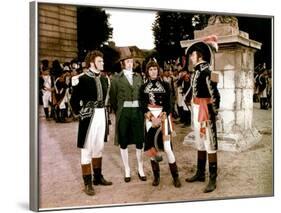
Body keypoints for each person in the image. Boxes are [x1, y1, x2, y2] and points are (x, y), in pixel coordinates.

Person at [70, 50, 112, 196]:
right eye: (100, 61)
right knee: (86, 149)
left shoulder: (105, 79)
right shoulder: (80, 79)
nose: (102, 63)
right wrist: (81, 113)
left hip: (102, 115)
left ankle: (98, 177)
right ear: (92, 63)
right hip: (89, 117)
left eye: (102, 61)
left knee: (99, 147)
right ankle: (87, 183)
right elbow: (73, 101)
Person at [185, 37, 220, 193]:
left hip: (205, 112)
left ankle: (213, 179)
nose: (191, 58)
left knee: (209, 144)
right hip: (196, 109)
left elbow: (215, 95)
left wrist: (213, 113)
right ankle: (200, 173)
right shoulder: (196, 71)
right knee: (199, 142)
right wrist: (188, 99)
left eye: (192, 55)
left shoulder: (208, 71)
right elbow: (193, 89)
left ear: (199, 55)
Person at [140, 60, 181, 188]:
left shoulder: (166, 85)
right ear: (147, 72)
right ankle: (156, 176)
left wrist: (161, 117)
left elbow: (169, 104)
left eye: (155, 69)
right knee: (152, 148)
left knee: (167, 148)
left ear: (158, 71)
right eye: (150, 69)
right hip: (149, 119)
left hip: (164, 119)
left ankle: (176, 177)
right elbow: (142, 105)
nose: (153, 71)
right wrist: (152, 118)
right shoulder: (142, 88)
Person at [110, 47, 146, 183]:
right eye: (127, 62)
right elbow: (113, 99)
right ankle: (127, 169)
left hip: (137, 112)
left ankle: (140, 168)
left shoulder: (139, 77)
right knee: (123, 142)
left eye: (131, 61)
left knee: (139, 141)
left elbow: (142, 95)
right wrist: (119, 110)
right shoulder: (116, 79)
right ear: (122, 64)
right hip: (123, 112)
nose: (130, 64)